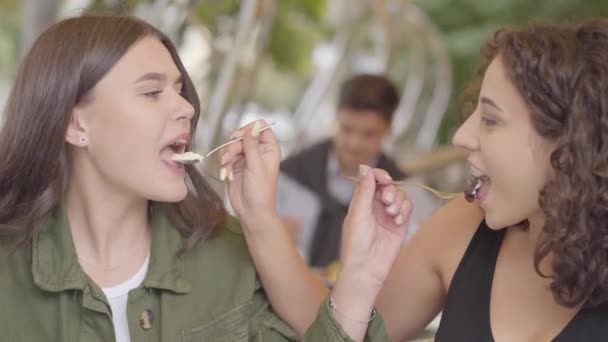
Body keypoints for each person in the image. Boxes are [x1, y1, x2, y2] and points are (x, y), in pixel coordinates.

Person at [0, 14, 413, 342]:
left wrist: (358, 276)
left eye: (180, 89)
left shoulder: (227, 260)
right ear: (75, 125)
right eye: (151, 92)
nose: (186, 108)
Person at [224, 18, 608, 341]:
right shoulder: (463, 227)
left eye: (490, 119)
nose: (461, 137)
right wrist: (260, 216)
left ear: (573, 143)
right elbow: (329, 328)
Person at [279, 74, 406, 268]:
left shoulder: (404, 196)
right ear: (337, 117)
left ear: (388, 129)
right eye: (347, 129)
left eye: (368, 134)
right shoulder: (288, 177)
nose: (354, 144)